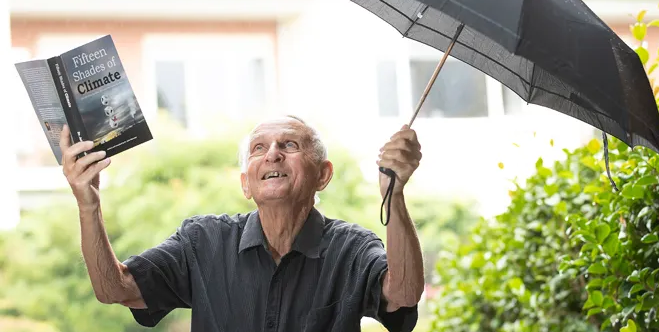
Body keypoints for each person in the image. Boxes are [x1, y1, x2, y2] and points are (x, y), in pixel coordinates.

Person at [60, 115, 425, 332]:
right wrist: (88, 204)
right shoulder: (203, 241)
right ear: (245, 184)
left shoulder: (352, 248)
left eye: (290, 145)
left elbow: (404, 293)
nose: (272, 154)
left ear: (323, 175)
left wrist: (394, 195)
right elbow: (114, 289)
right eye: (258, 148)